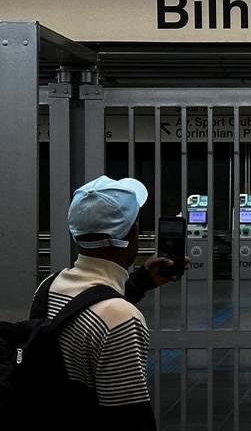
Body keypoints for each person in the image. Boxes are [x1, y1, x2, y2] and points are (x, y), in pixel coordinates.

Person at [31, 175, 180, 431]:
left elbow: (84, 311)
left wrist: (140, 282)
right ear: (132, 234)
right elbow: (129, 417)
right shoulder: (121, 318)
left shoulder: (47, 287)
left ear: (76, 233)